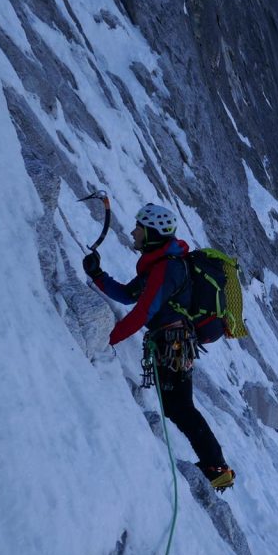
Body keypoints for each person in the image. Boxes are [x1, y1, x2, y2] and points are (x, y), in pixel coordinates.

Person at [82, 203, 235, 491]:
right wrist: (98, 275)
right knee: (178, 408)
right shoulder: (161, 263)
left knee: (180, 408)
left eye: (139, 228)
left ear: (151, 232)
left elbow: (142, 312)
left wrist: (105, 339)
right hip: (176, 345)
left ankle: (217, 467)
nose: (134, 232)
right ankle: (216, 466)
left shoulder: (167, 268)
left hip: (172, 345)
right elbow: (129, 295)